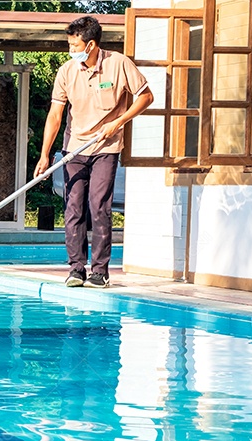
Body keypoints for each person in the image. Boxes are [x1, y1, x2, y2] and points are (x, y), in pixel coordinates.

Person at [35, 16, 154, 289]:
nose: (70, 50)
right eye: (69, 44)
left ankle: (100, 272)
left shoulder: (119, 63)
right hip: (74, 148)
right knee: (73, 209)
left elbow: (146, 97)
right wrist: (44, 154)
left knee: (99, 208)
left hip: (106, 148)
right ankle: (76, 269)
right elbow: (55, 115)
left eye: (74, 44)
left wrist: (118, 122)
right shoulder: (67, 71)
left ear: (90, 45)